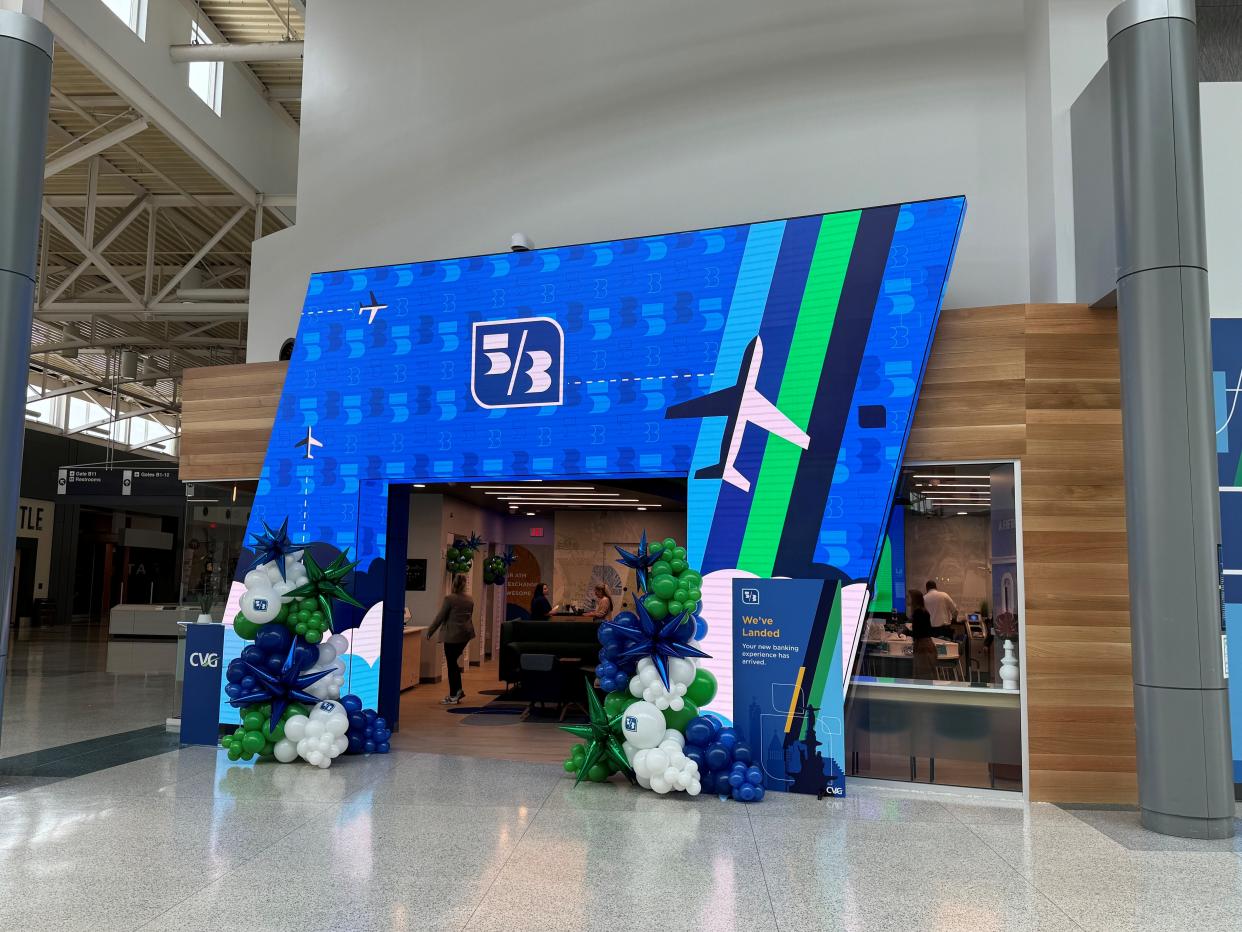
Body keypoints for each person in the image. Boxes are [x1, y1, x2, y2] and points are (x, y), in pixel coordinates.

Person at [426, 575, 475, 705]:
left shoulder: (450, 599)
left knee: (451, 663)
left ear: (454, 584)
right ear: (465, 585)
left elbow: (440, 617)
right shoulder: (470, 600)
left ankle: (455, 693)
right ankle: (457, 691)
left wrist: (430, 631)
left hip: (452, 636)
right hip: (465, 635)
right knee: (453, 662)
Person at [907, 589, 937, 680]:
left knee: (923, 677)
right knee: (925, 675)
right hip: (926, 645)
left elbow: (918, 633)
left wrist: (905, 632)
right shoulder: (923, 611)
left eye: (908, 597)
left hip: (923, 647)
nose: (907, 599)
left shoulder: (918, 612)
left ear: (914, 599)